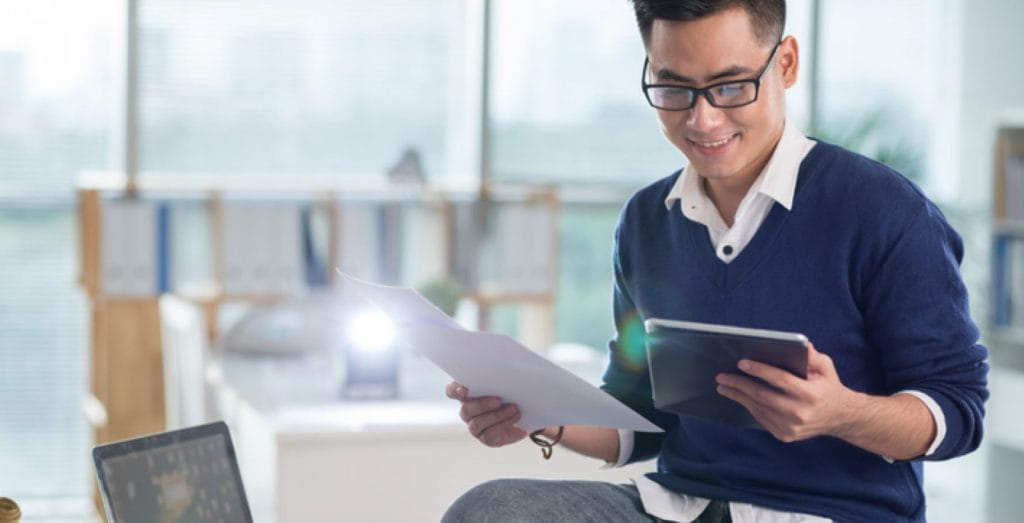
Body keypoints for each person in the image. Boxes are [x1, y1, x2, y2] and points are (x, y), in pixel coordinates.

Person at [442, 1, 989, 521]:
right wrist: (541, 415)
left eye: (730, 86)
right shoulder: (646, 221)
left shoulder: (884, 212)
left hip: (829, 514)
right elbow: (644, 421)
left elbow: (957, 413)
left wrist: (840, 412)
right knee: (489, 510)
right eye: (674, 89)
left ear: (787, 63)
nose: (702, 120)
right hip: (678, 508)